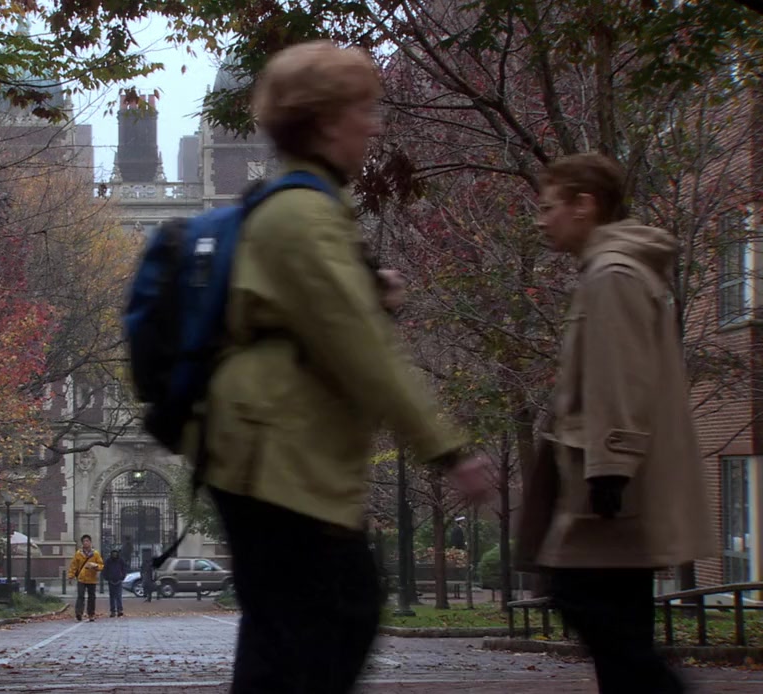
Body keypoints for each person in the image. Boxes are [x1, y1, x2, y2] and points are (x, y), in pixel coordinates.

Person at [197, 41, 490, 693]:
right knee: (337, 617)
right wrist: (447, 449)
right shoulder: (303, 213)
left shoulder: (300, 205)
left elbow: (320, 316)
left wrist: (368, 293)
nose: (374, 126)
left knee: (285, 641)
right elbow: (363, 351)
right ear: (327, 122)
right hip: (280, 461)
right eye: (364, 109)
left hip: (267, 455)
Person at [521, 152, 714, 694]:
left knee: (589, 609)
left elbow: (620, 377)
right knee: (619, 630)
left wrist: (611, 466)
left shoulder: (613, 276)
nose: (541, 220)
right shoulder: (609, 272)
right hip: (606, 479)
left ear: (584, 205)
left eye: (548, 207)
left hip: (606, 489)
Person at [67, 534, 103, 622]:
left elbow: (101, 565)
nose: (86, 543)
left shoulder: (95, 554)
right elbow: (74, 566)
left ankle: (91, 614)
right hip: (81, 578)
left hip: (92, 579)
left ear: (90, 542)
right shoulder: (78, 554)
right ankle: (79, 613)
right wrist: (71, 576)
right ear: (82, 543)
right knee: (80, 596)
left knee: (92, 597)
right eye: (84, 541)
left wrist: (95, 566)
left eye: (87, 541)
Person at [103, 549, 127, 617]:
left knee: (118, 596)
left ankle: (119, 610)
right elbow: (105, 570)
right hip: (111, 580)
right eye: (113, 553)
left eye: (115, 553)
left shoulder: (121, 560)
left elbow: (124, 569)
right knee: (112, 597)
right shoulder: (108, 561)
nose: (114, 555)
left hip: (118, 580)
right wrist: (107, 578)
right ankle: (113, 611)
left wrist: (122, 577)